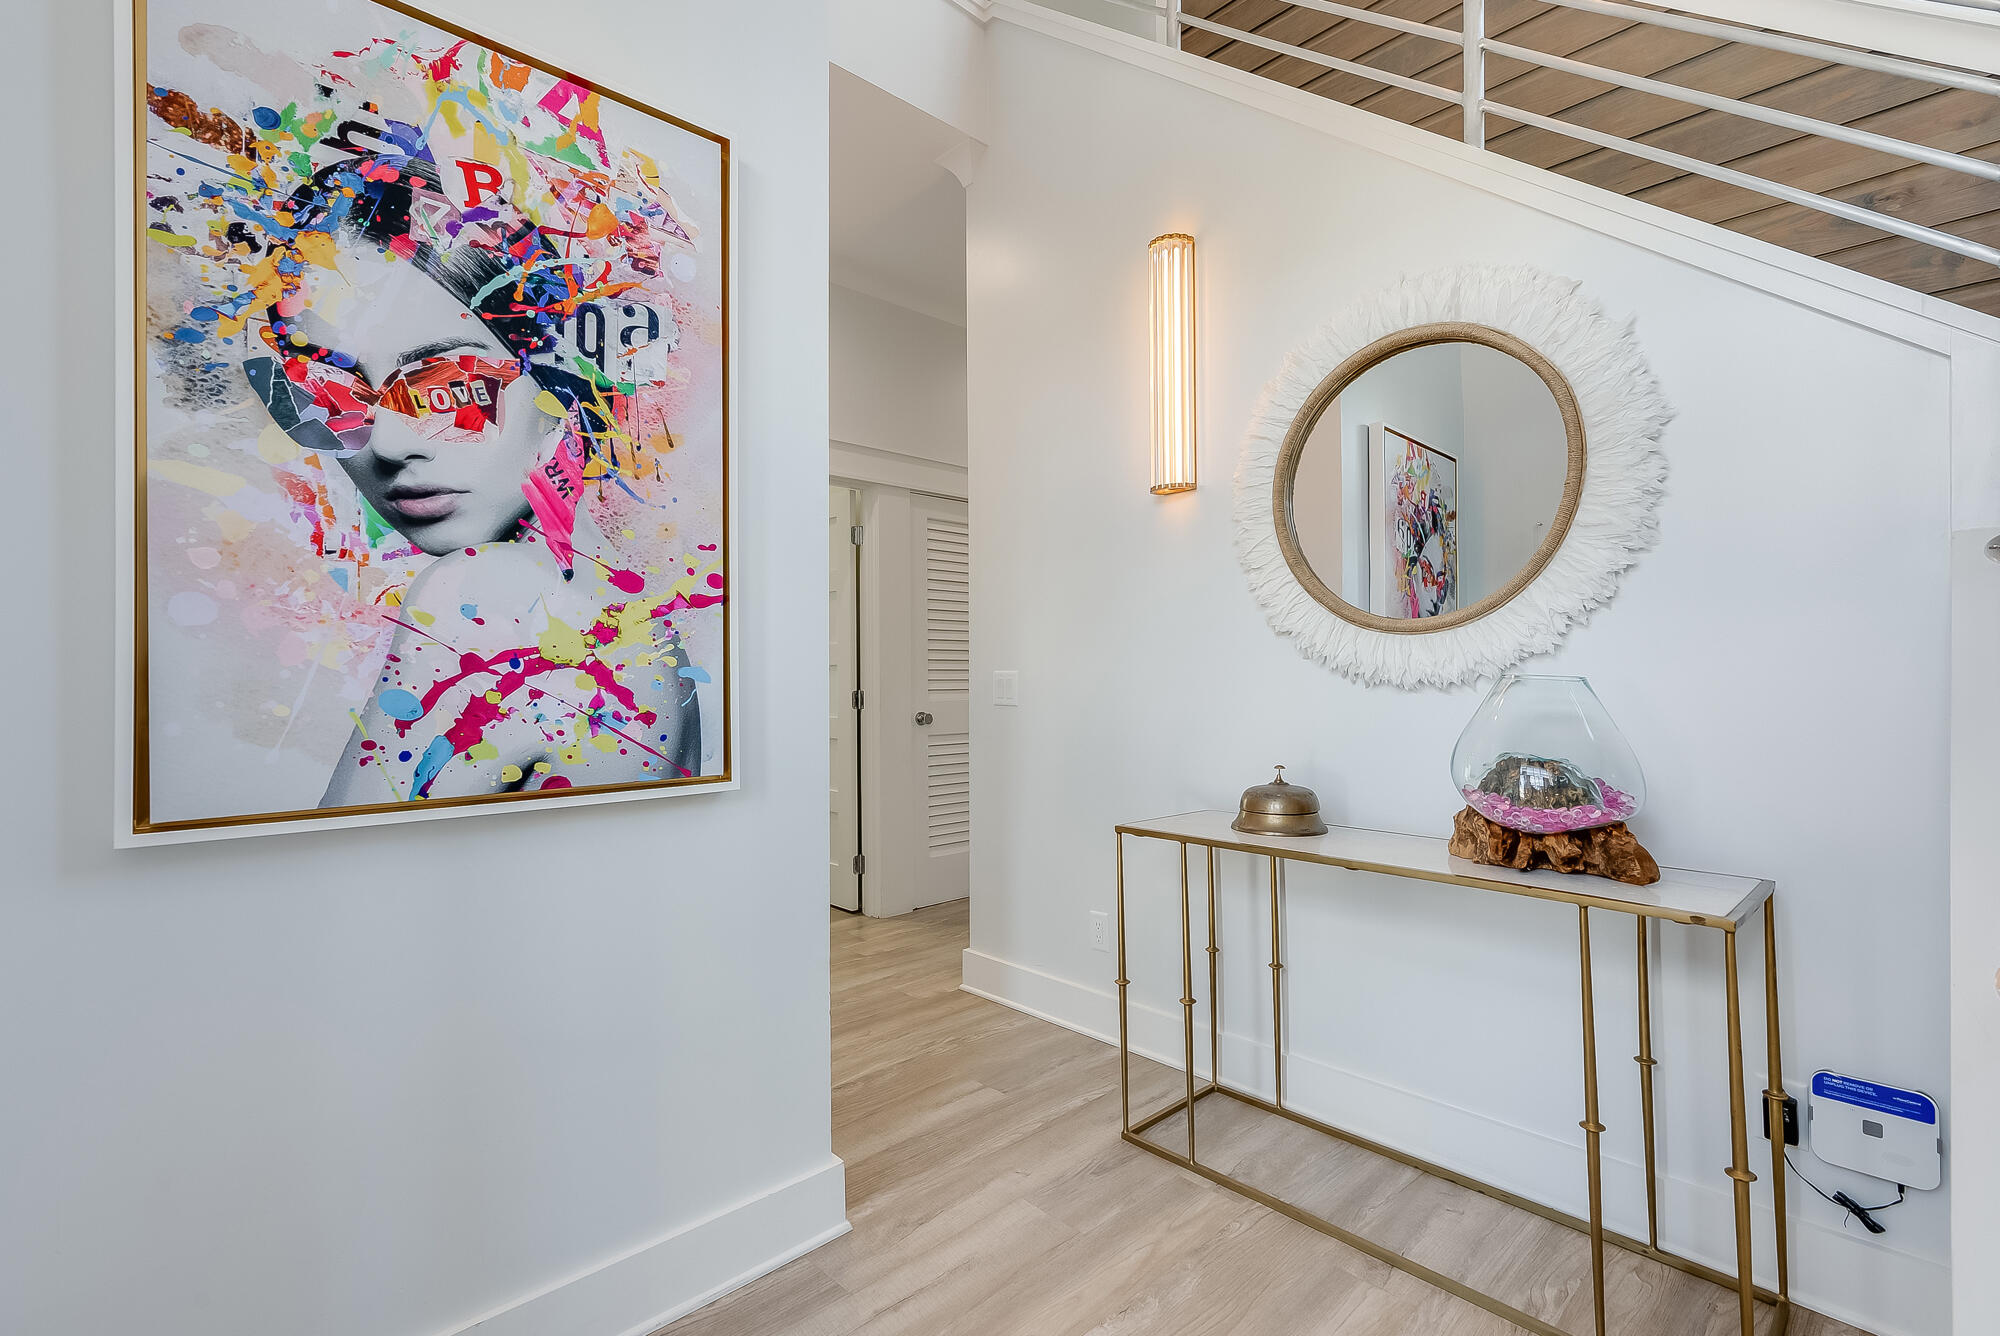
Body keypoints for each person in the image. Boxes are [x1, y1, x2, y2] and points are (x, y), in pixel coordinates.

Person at [240, 153, 701, 805]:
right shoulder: (629, 619)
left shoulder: (488, 597)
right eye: (332, 393)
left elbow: (346, 864)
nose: (388, 443)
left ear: (557, 376)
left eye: (450, 385)